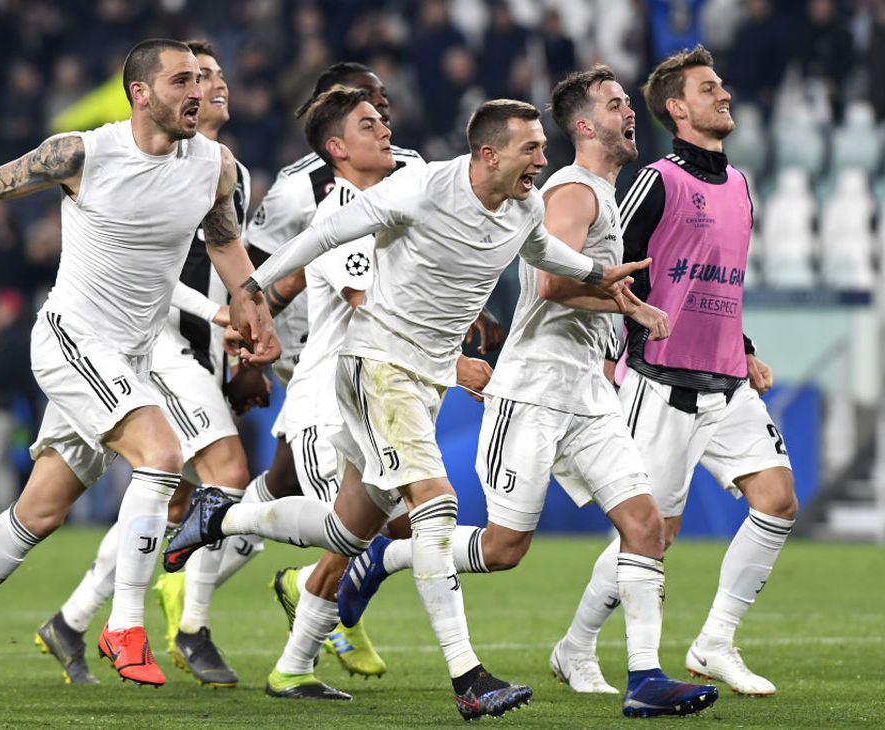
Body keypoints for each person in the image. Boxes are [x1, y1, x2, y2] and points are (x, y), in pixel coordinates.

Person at [167, 98, 650, 720]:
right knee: (436, 507)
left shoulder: (526, 207)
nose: (542, 159)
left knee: (347, 530)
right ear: (489, 153)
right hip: (375, 368)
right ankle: (467, 677)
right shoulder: (421, 187)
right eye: (531, 148)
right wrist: (251, 288)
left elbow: (544, 255)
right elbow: (321, 236)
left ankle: (223, 520)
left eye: (542, 148)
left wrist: (601, 273)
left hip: (422, 381)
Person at [0, 38, 278, 708]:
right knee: (162, 455)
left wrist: (255, 314)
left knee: (36, 514)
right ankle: (125, 627)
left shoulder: (214, 165)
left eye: (202, 80)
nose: (198, 91)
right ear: (140, 93)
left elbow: (224, 245)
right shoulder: (83, 153)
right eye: (181, 80)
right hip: (72, 339)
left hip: (125, 358)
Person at [334, 66, 720, 719]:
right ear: (584, 124)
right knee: (505, 549)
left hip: (586, 394)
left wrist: (611, 333)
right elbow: (547, 286)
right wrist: (627, 302)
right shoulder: (570, 191)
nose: (632, 114)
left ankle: (646, 678)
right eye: (617, 104)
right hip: (534, 388)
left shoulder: (598, 189)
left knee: (646, 525)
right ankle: (388, 555)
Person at [155, 61, 436, 680]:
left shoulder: (412, 168)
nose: (383, 118)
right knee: (369, 514)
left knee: (289, 488)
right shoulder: (297, 190)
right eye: (368, 108)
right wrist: (248, 356)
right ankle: (323, 603)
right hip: (319, 356)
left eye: (384, 106)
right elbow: (260, 277)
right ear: (335, 124)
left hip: (389, 355)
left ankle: (210, 581)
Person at [552, 45, 797, 697]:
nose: (725, 95)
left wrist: (742, 346)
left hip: (728, 381)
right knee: (651, 535)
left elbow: (718, 283)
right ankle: (575, 648)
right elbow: (613, 272)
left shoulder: (742, 187)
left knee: (777, 502)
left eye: (722, 86)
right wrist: (611, 351)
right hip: (660, 383)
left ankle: (715, 642)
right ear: (676, 107)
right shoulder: (657, 181)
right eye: (709, 88)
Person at [31, 39, 259, 689]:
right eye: (194, 77)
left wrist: (249, 333)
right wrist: (221, 318)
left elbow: (238, 269)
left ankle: (76, 619)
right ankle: (186, 623)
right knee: (222, 474)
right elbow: (152, 275)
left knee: (175, 496)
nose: (211, 87)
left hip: (203, 346)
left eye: (213, 76)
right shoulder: (136, 158)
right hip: (153, 345)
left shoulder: (223, 170)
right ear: (157, 93)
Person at [259, 85, 402, 700]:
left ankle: (294, 665)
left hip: (371, 398)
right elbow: (369, 310)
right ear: (337, 149)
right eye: (369, 124)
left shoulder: (390, 206)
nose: (386, 129)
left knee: (381, 535)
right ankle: (227, 516)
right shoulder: (340, 215)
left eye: (385, 119)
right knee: (356, 536)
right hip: (327, 401)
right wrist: (453, 362)